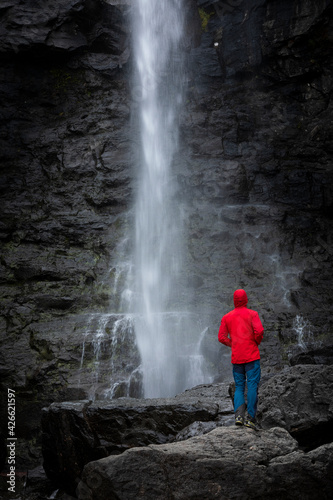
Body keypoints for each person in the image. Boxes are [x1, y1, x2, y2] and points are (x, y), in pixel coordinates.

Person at [218, 289, 264, 429]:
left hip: (237, 358)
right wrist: (256, 341)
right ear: (246, 300)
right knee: (251, 386)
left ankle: (238, 416)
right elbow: (260, 331)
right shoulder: (252, 314)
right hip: (251, 356)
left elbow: (221, 337)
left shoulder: (227, 317)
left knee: (239, 387)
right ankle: (250, 418)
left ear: (234, 301)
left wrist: (233, 343)